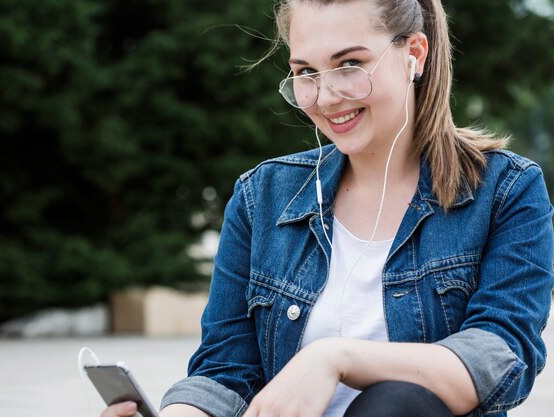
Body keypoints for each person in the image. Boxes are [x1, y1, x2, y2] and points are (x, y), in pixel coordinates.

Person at [103, 0, 554, 416]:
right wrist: (179, 413)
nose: (324, 97)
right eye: (306, 72)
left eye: (349, 64)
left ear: (414, 52)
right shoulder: (262, 197)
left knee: (397, 400)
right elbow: (225, 372)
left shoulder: (506, 190)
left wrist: (334, 359)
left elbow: (499, 358)